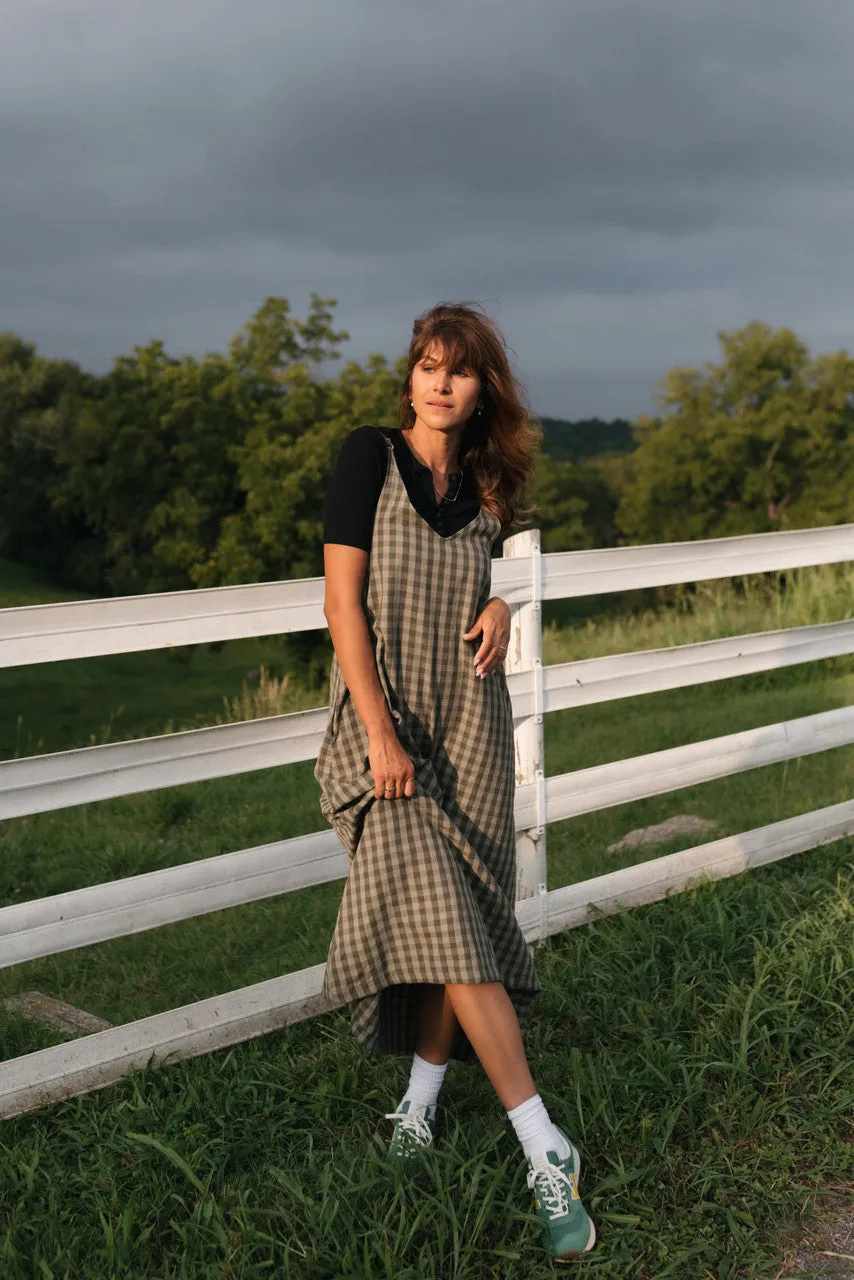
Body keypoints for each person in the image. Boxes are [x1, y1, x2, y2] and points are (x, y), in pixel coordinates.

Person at [313, 301, 596, 1261]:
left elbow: (470, 582)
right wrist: (382, 739)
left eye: (459, 370)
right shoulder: (369, 458)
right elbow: (341, 606)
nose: (440, 382)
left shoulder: (484, 487)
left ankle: (420, 1108)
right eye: (427, 366)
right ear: (412, 379)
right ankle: (542, 1145)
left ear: (482, 390)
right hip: (386, 740)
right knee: (447, 919)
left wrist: (500, 608)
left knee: (457, 925)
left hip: (470, 736)